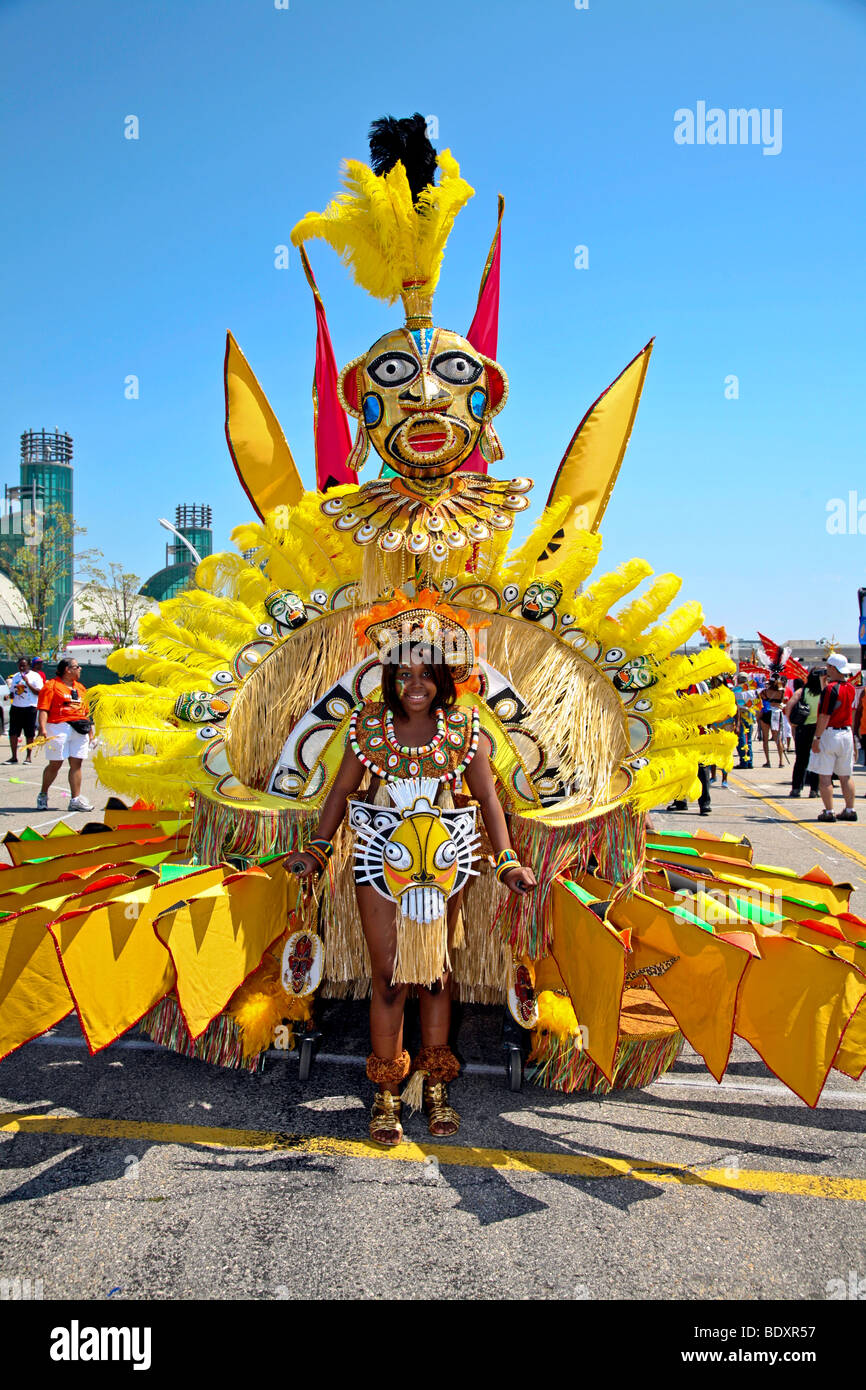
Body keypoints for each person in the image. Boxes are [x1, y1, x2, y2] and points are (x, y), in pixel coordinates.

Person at [291, 616, 536, 1147]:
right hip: (379, 864)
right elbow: (340, 791)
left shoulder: (465, 729)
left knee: (436, 977)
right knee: (389, 979)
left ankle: (436, 1086)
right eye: (404, 674)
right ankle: (385, 1091)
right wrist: (317, 847)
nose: (415, 685)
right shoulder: (367, 726)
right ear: (389, 677)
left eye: (426, 674)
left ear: (445, 680)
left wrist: (508, 860)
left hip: (447, 867)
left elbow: (489, 798)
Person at [36, 658, 95, 812]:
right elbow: (43, 709)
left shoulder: (81, 688)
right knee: (56, 763)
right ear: (67, 670)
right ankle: (43, 794)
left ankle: (75, 800)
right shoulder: (51, 686)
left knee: (77, 764)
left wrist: (90, 731)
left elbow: (85, 712)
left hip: (79, 728)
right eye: (77, 666)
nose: (80, 669)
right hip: (58, 727)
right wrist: (42, 729)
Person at [811, 653, 856, 823]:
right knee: (846, 775)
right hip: (846, 733)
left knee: (825, 776)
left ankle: (829, 811)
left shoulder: (831, 689)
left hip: (830, 733)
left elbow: (825, 715)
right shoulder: (850, 688)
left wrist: (817, 738)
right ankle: (850, 809)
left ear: (832, 668)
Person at [786, 668, 824, 798]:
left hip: (803, 728)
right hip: (818, 729)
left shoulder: (802, 691)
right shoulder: (824, 692)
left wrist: (792, 723)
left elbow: (788, 706)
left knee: (801, 760)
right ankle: (814, 789)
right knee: (816, 760)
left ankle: (796, 788)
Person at [6, 656, 44, 764]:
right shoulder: (16, 676)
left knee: (29, 733)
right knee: (13, 732)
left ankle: (28, 757)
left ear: (28, 665)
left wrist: (27, 683)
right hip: (16, 707)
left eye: (24, 665)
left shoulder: (35, 676)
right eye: (20, 665)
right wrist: (10, 695)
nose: (21, 668)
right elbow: (14, 691)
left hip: (30, 707)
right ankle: (14, 757)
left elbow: (39, 692)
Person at [758, 678, 786, 768]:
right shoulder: (782, 692)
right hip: (776, 714)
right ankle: (781, 761)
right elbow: (782, 702)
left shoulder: (765, 691)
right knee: (778, 739)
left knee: (765, 739)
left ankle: (768, 761)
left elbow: (760, 701)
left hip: (766, 713)